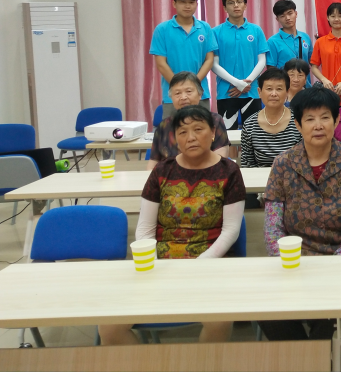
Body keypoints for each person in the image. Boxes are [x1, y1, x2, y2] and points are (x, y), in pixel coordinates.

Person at [100, 105, 246, 345]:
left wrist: (201, 263)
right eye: (183, 132)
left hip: (208, 262)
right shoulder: (162, 170)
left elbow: (231, 230)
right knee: (108, 325)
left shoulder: (229, 171)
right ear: (175, 138)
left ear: (213, 133)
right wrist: (153, 264)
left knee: (219, 321)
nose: (191, 137)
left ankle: (205, 362)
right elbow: (145, 229)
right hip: (160, 262)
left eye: (198, 129)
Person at [261, 87, 341, 341]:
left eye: (325, 117)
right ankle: (304, 354)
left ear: (336, 121)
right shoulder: (283, 163)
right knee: (264, 309)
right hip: (296, 259)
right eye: (310, 119)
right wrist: (284, 258)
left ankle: (316, 354)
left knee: (328, 312)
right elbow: (272, 223)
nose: (318, 125)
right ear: (298, 125)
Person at [150, 0, 218, 119]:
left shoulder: (205, 28)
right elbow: (161, 63)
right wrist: (180, 87)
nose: (187, 6)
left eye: (191, 2)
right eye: (182, 2)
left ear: (196, 4)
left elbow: (209, 59)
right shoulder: (162, 29)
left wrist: (193, 85)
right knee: (171, 130)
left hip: (200, 94)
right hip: (173, 96)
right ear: (174, 4)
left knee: (202, 128)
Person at [147, 71, 229, 170]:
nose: (183, 97)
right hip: (170, 176)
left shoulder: (214, 120)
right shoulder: (164, 125)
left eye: (188, 91)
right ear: (171, 98)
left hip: (208, 174)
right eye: (177, 93)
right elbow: (154, 160)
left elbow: (221, 156)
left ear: (200, 94)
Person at [211, 0, 269, 129]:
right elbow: (213, 64)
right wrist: (237, 83)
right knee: (228, 136)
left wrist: (246, 83)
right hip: (227, 93)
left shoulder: (256, 30)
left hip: (252, 91)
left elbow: (262, 61)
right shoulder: (216, 32)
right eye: (231, 3)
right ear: (225, 8)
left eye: (239, 2)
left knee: (253, 134)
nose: (236, 5)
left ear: (245, 5)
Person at [240, 69, 302, 169]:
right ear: (259, 92)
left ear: (287, 92)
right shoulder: (250, 124)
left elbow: (305, 161)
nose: (274, 94)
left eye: (279, 89)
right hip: (259, 178)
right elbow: (247, 164)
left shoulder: (299, 121)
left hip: (293, 177)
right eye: (269, 89)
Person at [267, 0, 313, 83]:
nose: (287, 18)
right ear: (277, 19)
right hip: (285, 86)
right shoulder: (272, 41)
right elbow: (271, 69)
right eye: (282, 16)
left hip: (305, 86)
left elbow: (313, 63)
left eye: (290, 13)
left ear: (296, 13)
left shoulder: (305, 37)